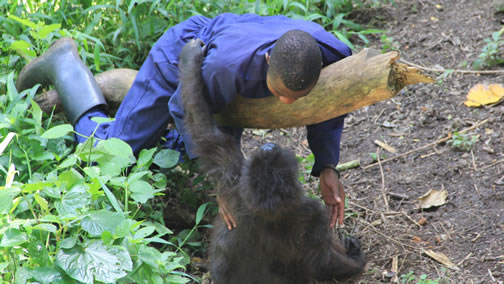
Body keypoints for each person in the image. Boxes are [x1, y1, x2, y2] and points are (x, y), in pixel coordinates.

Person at [16, 13, 352, 229]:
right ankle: (64, 66)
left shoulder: (333, 54)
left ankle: (154, 130)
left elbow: (330, 105)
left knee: (187, 143)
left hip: (224, 71)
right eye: (279, 93)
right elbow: (186, 107)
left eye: (297, 96)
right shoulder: (223, 67)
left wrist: (327, 166)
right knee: (109, 156)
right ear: (267, 60)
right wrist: (220, 181)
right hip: (183, 56)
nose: (287, 104)